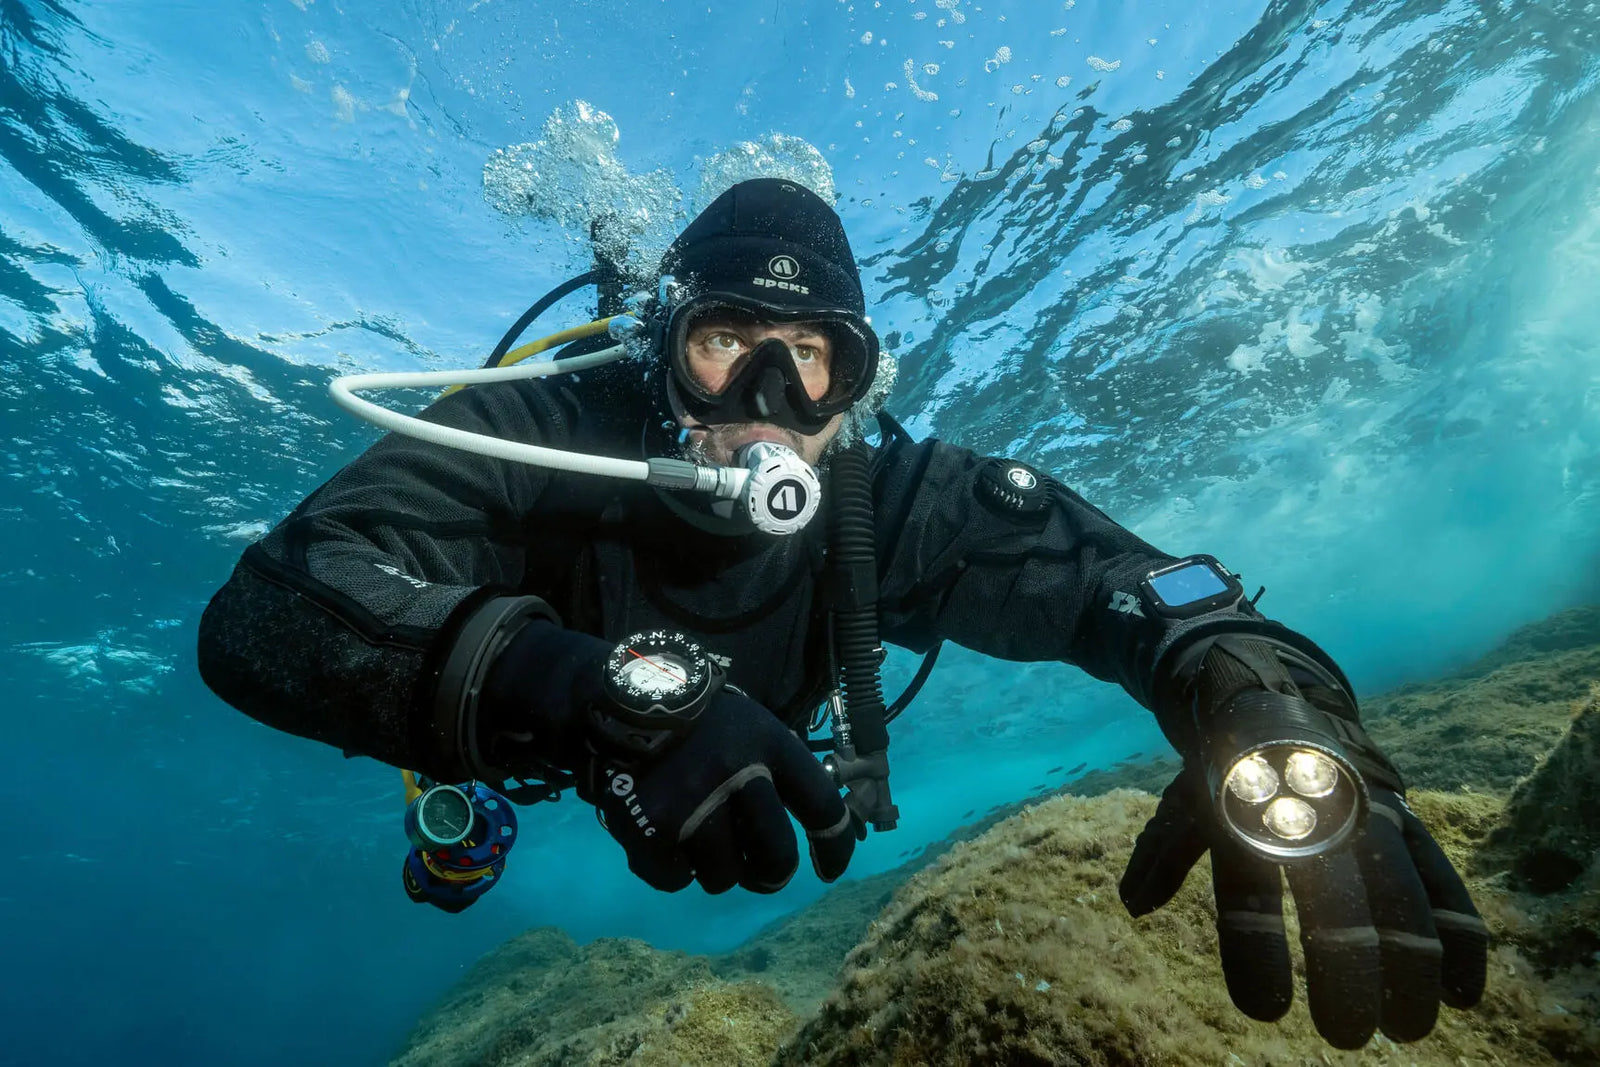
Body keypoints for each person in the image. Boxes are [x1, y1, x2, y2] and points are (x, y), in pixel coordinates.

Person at [197, 178, 1486, 1049]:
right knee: (457, 820)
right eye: (725, 341)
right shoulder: (534, 435)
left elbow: (1129, 585)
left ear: (854, 382)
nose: (770, 395)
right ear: (660, 351)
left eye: (811, 355)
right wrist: (579, 695)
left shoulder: (892, 501)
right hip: (537, 724)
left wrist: (1252, 696)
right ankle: (470, 803)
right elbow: (268, 608)